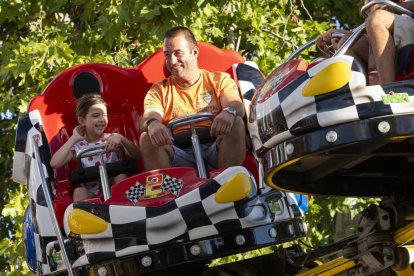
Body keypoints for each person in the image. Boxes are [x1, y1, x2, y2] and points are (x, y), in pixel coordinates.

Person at [139, 26, 246, 171]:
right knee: (146, 138)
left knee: (236, 122)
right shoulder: (159, 90)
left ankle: (228, 182)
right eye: (167, 55)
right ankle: (171, 191)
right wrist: (152, 123)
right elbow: (149, 116)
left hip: (216, 147)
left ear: (194, 52)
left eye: (178, 53)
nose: (172, 60)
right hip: (179, 153)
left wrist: (229, 111)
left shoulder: (219, 80)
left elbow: (236, 104)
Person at [50, 94, 141, 201]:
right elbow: (54, 163)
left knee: (121, 177)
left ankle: (131, 208)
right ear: (82, 121)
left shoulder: (112, 139)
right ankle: (88, 216)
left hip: (115, 188)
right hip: (93, 193)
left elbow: (137, 155)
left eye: (105, 115)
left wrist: (122, 139)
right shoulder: (79, 146)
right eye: (96, 115)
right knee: (78, 192)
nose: (102, 119)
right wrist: (74, 139)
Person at [365, 0, 414, 84]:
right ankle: (350, 95)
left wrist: (394, 7)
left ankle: (388, 89)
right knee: (345, 40)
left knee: (377, 18)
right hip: (390, 23)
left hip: (409, 21)